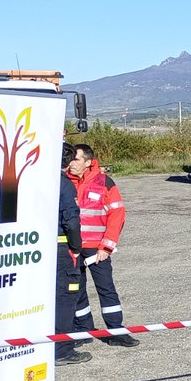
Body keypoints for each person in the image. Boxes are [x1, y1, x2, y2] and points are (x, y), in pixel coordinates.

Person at [67, 144, 140, 347]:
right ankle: (83, 330)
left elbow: (117, 215)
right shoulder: (64, 182)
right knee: (77, 289)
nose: (71, 164)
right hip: (72, 247)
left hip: (96, 248)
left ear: (88, 162)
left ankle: (116, 331)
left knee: (106, 288)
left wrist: (106, 247)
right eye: (71, 159)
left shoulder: (104, 182)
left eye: (76, 160)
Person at [56, 143, 92, 365]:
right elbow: (71, 221)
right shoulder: (64, 185)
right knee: (65, 298)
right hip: (62, 250)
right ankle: (62, 349)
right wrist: (76, 246)